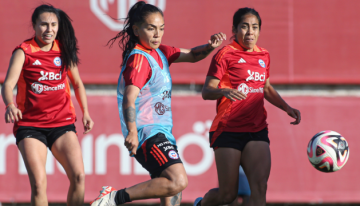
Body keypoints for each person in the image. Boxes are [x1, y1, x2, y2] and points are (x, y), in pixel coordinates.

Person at [90, 1, 226, 206]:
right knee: (178, 180)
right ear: (136, 30)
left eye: (161, 28)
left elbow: (192, 55)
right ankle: (114, 197)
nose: (157, 34)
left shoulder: (161, 51)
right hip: (147, 133)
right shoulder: (139, 59)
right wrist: (133, 132)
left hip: (162, 131)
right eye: (151, 28)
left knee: (172, 194)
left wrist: (209, 47)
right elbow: (129, 97)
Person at [194, 7, 301, 206]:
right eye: (244, 27)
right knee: (228, 195)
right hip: (228, 130)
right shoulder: (224, 54)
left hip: (257, 129)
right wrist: (224, 91)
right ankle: (200, 204)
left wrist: (286, 107)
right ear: (234, 29)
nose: (250, 32)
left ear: (260, 30)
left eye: (255, 27)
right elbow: (207, 91)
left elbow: (265, 87)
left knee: (259, 187)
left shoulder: (265, 55)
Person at [1, 4, 94, 206]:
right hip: (30, 126)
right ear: (34, 26)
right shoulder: (23, 51)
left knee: (79, 177)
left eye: (53, 25)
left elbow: (77, 84)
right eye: (43, 24)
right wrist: (10, 104)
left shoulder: (63, 50)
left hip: (62, 124)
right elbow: (8, 84)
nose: (49, 29)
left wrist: (85, 112)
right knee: (39, 184)